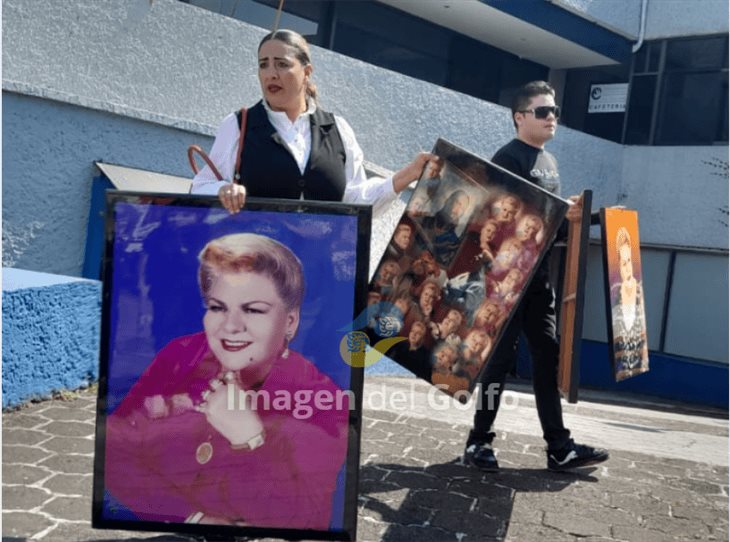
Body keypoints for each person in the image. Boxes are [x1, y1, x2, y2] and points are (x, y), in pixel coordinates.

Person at [105, 233, 350, 529]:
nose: (230, 327)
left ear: (290, 322)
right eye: (218, 307)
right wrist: (191, 517)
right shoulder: (181, 356)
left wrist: (249, 441)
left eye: (253, 309)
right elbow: (114, 449)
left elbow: (307, 519)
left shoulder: (320, 399)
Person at [464, 81, 608, 472]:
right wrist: (564, 214)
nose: (552, 118)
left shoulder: (550, 162)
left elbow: (551, 228)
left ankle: (559, 448)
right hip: (506, 280)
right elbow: (507, 225)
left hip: (538, 279)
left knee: (547, 356)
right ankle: (478, 442)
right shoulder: (507, 159)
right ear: (519, 117)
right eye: (543, 111)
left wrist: (584, 216)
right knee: (499, 362)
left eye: (555, 112)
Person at [191, 29, 440, 216]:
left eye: (282, 64)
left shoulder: (338, 129)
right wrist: (222, 190)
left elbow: (356, 200)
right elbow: (199, 186)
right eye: (263, 65)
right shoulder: (238, 124)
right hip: (258, 267)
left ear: (307, 72)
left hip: (321, 268)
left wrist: (408, 174)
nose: (271, 73)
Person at [611, 226, 648, 377]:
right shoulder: (616, 292)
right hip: (622, 362)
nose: (628, 268)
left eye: (629, 261)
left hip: (636, 361)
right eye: (623, 263)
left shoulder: (637, 290)